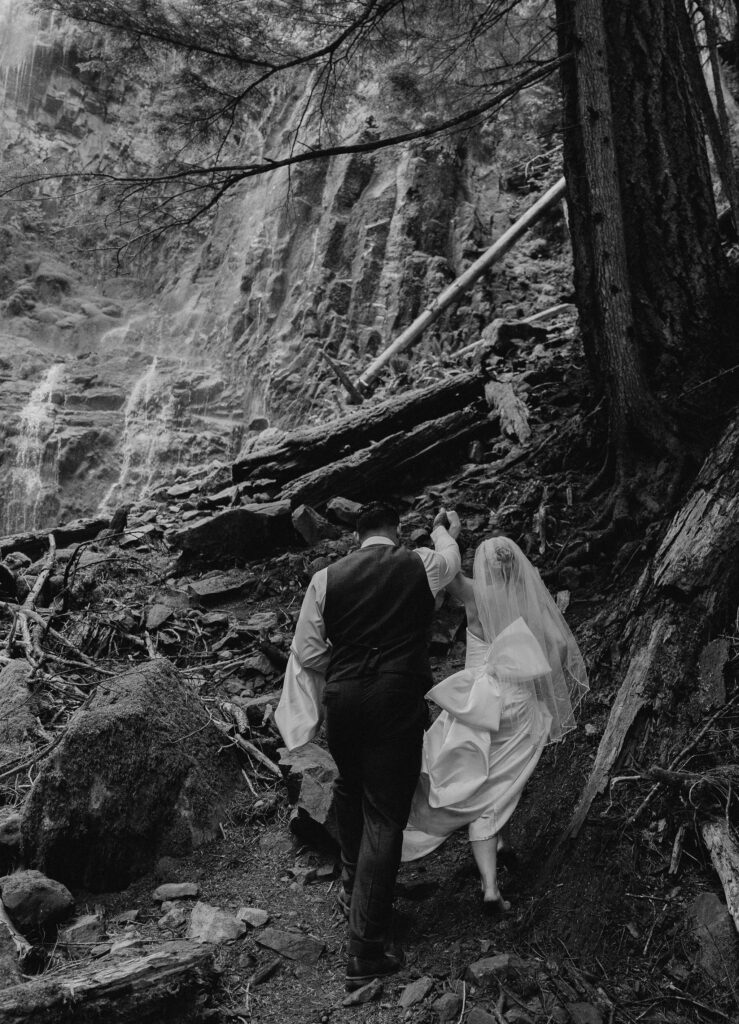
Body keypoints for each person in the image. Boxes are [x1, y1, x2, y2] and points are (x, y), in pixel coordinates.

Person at [276, 500, 462, 991]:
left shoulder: (326, 579)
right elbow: (452, 561)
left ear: (359, 537)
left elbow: (309, 653)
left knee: (350, 792)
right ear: (395, 532)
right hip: (395, 700)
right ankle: (365, 949)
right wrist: (444, 531)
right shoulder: (418, 562)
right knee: (384, 814)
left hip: (344, 702)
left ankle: (351, 892)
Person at [402, 536, 589, 915]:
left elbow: (447, 572)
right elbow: (562, 647)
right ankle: (494, 865)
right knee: (500, 779)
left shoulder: (473, 595)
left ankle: (491, 877)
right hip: (518, 704)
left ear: (483, 567)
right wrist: (529, 669)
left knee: (480, 779)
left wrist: (443, 533)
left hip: (477, 704)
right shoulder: (529, 603)